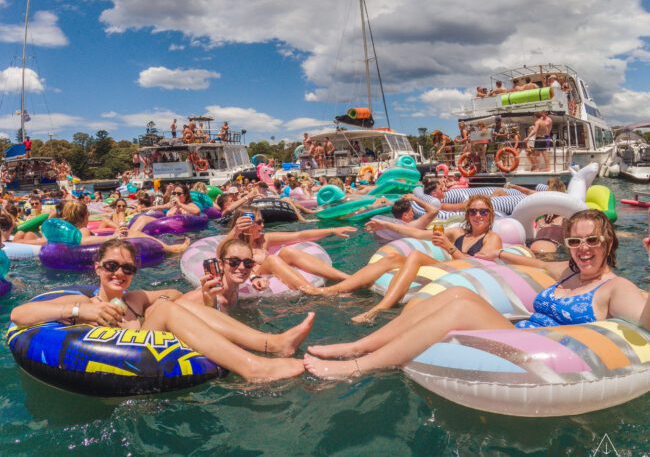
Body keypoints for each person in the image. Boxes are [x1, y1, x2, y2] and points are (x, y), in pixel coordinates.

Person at [302, 210, 649, 378]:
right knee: (454, 293)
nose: (583, 248)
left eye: (593, 240)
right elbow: (541, 267)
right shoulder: (568, 271)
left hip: (542, 349)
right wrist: (502, 254)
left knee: (462, 305)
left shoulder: (616, 288)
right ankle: (358, 345)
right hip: (523, 333)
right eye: (575, 241)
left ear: (609, 242)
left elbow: (644, 315)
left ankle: (358, 366)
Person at [10, 238, 312, 382]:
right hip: (130, 365)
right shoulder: (89, 304)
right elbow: (19, 316)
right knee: (167, 309)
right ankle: (252, 367)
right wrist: (78, 310)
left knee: (172, 304)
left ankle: (273, 344)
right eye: (112, 266)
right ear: (97, 268)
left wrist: (203, 296)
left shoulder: (136, 298)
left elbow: (172, 293)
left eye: (127, 268)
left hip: (156, 348)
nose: (119, 273)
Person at [302, 196, 503, 324]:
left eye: (483, 212)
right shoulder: (457, 231)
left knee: (415, 256)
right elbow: (416, 234)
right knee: (392, 257)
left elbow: (479, 265)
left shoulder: (492, 238)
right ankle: (329, 290)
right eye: (473, 211)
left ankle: (379, 308)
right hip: (447, 268)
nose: (478, 215)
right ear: (467, 215)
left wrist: (449, 248)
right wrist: (384, 225)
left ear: (490, 215)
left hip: (464, 275)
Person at [224, 208, 354, 291]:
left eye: (262, 221)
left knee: (287, 252)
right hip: (254, 277)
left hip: (271, 270)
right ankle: (312, 291)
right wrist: (236, 231)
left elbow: (299, 236)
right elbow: (221, 254)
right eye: (258, 222)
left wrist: (332, 230)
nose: (262, 225)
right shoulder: (235, 245)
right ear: (245, 223)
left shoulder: (264, 239)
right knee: (272, 259)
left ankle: (348, 279)